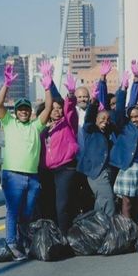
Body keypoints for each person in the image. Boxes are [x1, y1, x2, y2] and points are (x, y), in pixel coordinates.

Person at [0, 61, 52, 261]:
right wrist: (7, 84)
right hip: (12, 175)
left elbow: (48, 108)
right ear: (16, 112)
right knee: (13, 211)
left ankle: (22, 241)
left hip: (32, 177)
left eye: (26, 109)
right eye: (20, 109)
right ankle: (12, 243)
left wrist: (47, 86)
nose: (23, 111)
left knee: (27, 213)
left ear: (30, 112)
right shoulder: (9, 123)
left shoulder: (36, 127)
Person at [110, 62, 138, 222]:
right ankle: (125, 229)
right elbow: (120, 108)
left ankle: (134, 228)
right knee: (127, 202)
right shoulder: (125, 127)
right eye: (133, 116)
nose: (136, 119)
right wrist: (124, 88)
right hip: (128, 168)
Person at [40, 70, 80, 233]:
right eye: (53, 108)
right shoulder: (43, 129)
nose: (57, 111)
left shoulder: (68, 123)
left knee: (62, 204)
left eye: (59, 108)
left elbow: (70, 109)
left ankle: (64, 235)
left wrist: (70, 95)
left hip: (65, 168)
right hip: (46, 171)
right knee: (48, 203)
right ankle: (51, 234)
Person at [79, 80, 116, 216]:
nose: (105, 122)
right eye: (102, 119)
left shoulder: (108, 133)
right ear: (96, 119)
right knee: (108, 200)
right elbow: (88, 118)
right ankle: (109, 227)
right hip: (96, 171)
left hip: (107, 170)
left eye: (107, 119)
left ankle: (97, 227)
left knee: (101, 202)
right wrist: (94, 102)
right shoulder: (90, 130)